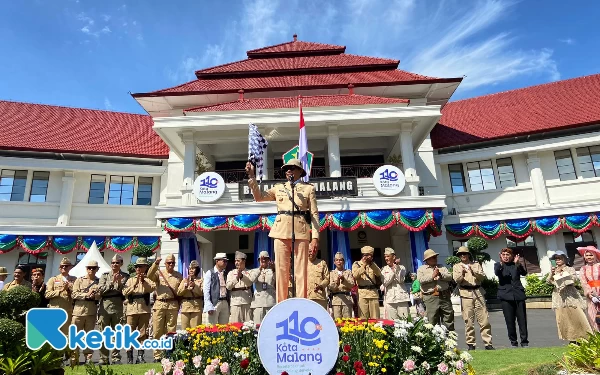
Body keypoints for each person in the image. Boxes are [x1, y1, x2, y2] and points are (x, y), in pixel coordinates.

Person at [245, 158, 320, 302]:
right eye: (286, 169)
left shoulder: (308, 189)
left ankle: (301, 302)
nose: (288, 171)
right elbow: (259, 197)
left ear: (300, 171)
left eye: (292, 168)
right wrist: (252, 177)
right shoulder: (278, 187)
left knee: (301, 271)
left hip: (301, 230)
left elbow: (314, 214)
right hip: (280, 230)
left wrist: (315, 237)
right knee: (281, 270)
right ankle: (282, 303)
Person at [546, 251, 592, 343]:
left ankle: (584, 337)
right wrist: (552, 273)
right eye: (556, 258)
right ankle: (572, 340)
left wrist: (563, 274)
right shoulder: (554, 270)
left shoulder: (570, 269)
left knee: (578, 317)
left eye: (560, 258)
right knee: (565, 320)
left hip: (571, 297)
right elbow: (548, 281)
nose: (558, 260)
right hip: (559, 298)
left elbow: (573, 280)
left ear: (565, 259)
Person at [453, 246, 494, 350]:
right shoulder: (456, 266)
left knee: (484, 319)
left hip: (478, 292)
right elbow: (457, 280)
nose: (463, 255)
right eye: (461, 254)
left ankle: (488, 343)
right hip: (465, 293)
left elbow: (482, 277)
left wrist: (473, 271)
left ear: (468, 255)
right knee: (468, 320)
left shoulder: (476, 264)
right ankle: (471, 344)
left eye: (465, 253)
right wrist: (462, 273)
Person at [147, 254, 182, 362]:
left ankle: (169, 353)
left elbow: (181, 291)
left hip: (172, 305)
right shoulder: (159, 273)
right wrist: (155, 264)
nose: (171, 264)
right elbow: (149, 275)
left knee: (171, 331)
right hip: (160, 305)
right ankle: (157, 355)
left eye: (172, 263)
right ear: (165, 264)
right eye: (168, 263)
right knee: (157, 330)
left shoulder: (178, 275)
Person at [97, 254, 129, 365]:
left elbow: (125, 291)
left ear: (121, 264)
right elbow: (100, 290)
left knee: (117, 333)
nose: (115, 264)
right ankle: (103, 358)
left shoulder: (125, 276)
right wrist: (111, 283)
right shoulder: (104, 276)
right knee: (103, 333)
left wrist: (119, 283)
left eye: (117, 262)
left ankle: (116, 358)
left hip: (118, 306)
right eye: (113, 262)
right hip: (105, 306)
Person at [494, 247, 528, 348]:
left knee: (522, 320)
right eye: (503, 255)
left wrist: (518, 264)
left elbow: (524, 273)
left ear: (512, 256)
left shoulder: (516, 265)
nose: (505, 257)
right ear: (501, 256)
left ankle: (524, 341)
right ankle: (513, 342)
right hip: (506, 296)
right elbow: (497, 272)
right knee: (510, 321)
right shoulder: (498, 265)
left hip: (518, 295)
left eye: (508, 255)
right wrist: (500, 265)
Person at [123, 258, 155, 364]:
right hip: (131, 309)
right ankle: (129, 357)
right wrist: (136, 283)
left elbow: (152, 288)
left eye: (140, 266)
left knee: (143, 333)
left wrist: (143, 282)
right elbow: (125, 291)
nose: (138, 268)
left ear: (145, 267)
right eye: (136, 266)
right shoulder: (130, 280)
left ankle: (140, 356)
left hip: (144, 309)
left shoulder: (148, 280)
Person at [71, 260, 100, 365]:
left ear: (97, 269)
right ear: (86, 269)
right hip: (78, 312)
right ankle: (74, 358)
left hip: (91, 312)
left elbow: (100, 296)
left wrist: (95, 296)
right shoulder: (79, 280)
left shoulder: (99, 282)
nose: (91, 270)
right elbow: (74, 294)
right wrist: (86, 295)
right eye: (89, 268)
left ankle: (88, 357)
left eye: (93, 268)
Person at [417, 249, 454, 331]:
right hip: (431, 297)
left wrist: (440, 274)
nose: (435, 258)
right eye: (432, 257)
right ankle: (434, 340)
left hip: (444, 295)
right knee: (432, 319)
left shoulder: (442, 267)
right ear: (427, 260)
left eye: (435, 257)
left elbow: (450, 277)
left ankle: (449, 339)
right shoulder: (422, 269)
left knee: (448, 316)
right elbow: (420, 280)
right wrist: (432, 275)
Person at [45, 257, 76, 336]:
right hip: (55, 310)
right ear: (59, 268)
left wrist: (69, 290)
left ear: (70, 267)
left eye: (66, 266)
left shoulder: (74, 279)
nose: (64, 267)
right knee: (53, 334)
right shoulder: (53, 279)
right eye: (62, 266)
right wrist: (61, 290)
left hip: (67, 311)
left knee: (66, 334)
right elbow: (47, 294)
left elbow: (76, 294)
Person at [352, 245, 383, 319]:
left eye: (370, 256)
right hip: (362, 293)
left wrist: (371, 264)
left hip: (373, 293)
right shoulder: (356, 264)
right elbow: (355, 276)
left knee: (375, 317)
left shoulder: (373, 265)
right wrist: (364, 265)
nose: (369, 257)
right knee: (363, 318)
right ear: (363, 255)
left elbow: (379, 274)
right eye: (367, 255)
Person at [381, 248, 410, 319]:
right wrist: (393, 271)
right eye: (385, 257)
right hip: (390, 300)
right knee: (391, 324)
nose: (386, 258)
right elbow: (385, 283)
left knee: (404, 321)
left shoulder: (401, 267)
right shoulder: (384, 269)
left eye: (388, 256)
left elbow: (400, 280)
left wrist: (397, 268)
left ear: (393, 257)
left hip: (401, 299)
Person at [577, 246, 600, 332]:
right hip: (591, 295)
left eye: (591, 255)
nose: (589, 257)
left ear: (595, 255)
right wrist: (590, 295)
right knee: (593, 316)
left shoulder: (599, 266)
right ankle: (597, 338)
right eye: (587, 255)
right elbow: (584, 283)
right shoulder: (583, 269)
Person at [226, 252, 253, 323]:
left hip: (246, 301)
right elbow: (228, 287)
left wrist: (242, 276)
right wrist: (236, 278)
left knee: (248, 325)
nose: (236, 263)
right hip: (235, 302)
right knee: (235, 325)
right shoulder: (231, 273)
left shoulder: (249, 272)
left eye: (238, 260)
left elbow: (250, 283)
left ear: (244, 261)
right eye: (235, 261)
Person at [203, 253, 230, 325]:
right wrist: (208, 306)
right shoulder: (210, 273)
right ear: (217, 261)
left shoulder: (226, 273)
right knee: (211, 326)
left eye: (226, 261)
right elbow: (206, 290)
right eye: (223, 261)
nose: (225, 263)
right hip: (214, 302)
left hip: (225, 301)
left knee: (224, 327)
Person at [249, 251, 276, 324]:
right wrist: (260, 268)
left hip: (270, 301)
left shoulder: (272, 270)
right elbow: (252, 280)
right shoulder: (254, 270)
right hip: (258, 303)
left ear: (269, 260)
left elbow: (277, 280)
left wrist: (274, 269)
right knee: (258, 327)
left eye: (266, 259)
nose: (264, 260)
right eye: (261, 259)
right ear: (258, 260)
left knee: (271, 325)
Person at [177, 260, 204, 329]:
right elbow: (179, 292)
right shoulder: (184, 280)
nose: (191, 270)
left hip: (196, 307)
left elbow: (202, 293)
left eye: (193, 268)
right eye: (190, 269)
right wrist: (185, 287)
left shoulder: (200, 280)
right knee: (185, 330)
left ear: (197, 270)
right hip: (186, 307)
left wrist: (195, 286)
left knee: (195, 330)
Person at [329, 252, 355, 319]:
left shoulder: (348, 272)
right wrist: (337, 283)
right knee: (337, 323)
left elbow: (352, 285)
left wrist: (344, 280)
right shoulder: (332, 273)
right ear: (334, 262)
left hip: (347, 299)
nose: (339, 262)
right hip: (336, 300)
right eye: (337, 260)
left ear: (343, 261)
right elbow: (331, 287)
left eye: (340, 260)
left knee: (347, 322)